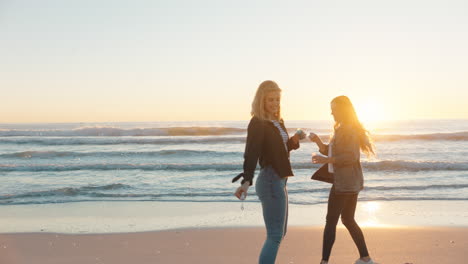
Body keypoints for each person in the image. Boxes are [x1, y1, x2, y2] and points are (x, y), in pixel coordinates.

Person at [232, 80, 300, 264]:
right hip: (270, 180)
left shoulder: (277, 122)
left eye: (277, 100)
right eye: (271, 99)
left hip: (280, 181)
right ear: (261, 100)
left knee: (279, 233)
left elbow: (279, 150)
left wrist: (293, 141)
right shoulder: (258, 123)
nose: (275, 104)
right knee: (275, 235)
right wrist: (246, 182)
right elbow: (252, 154)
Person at [309, 95, 377, 264]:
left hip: (344, 183)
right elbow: (334, 153)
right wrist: (318, 141)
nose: (332, 113)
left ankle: (324, 262)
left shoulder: (349, 129)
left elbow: (351, 156)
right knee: (347, 219)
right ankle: (366, 258)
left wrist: (327, 160)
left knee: (331, 221)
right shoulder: (342, 128)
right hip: (349, 182)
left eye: (334, 109)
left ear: (343, 110)